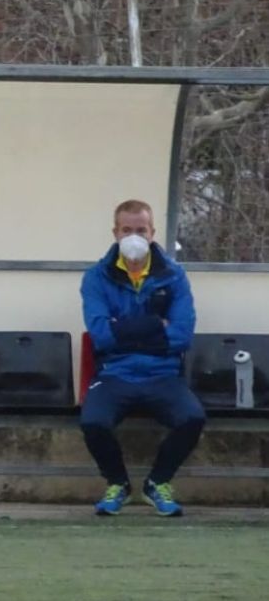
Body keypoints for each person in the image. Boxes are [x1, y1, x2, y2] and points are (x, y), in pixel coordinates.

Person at [80, 199, 206, 517]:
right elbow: (100, 334)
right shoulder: (96, 277)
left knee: (193, 418)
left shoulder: (174, 276)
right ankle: (117, 484)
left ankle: (157, 483)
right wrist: (155, 326)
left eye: (140, 230)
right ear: (115, 232)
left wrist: (123, 328)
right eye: (126, 230)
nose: (133, 236)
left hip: (163, 374)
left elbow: (182, 335)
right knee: (93, 421)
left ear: (152, 233)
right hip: (114, 373)